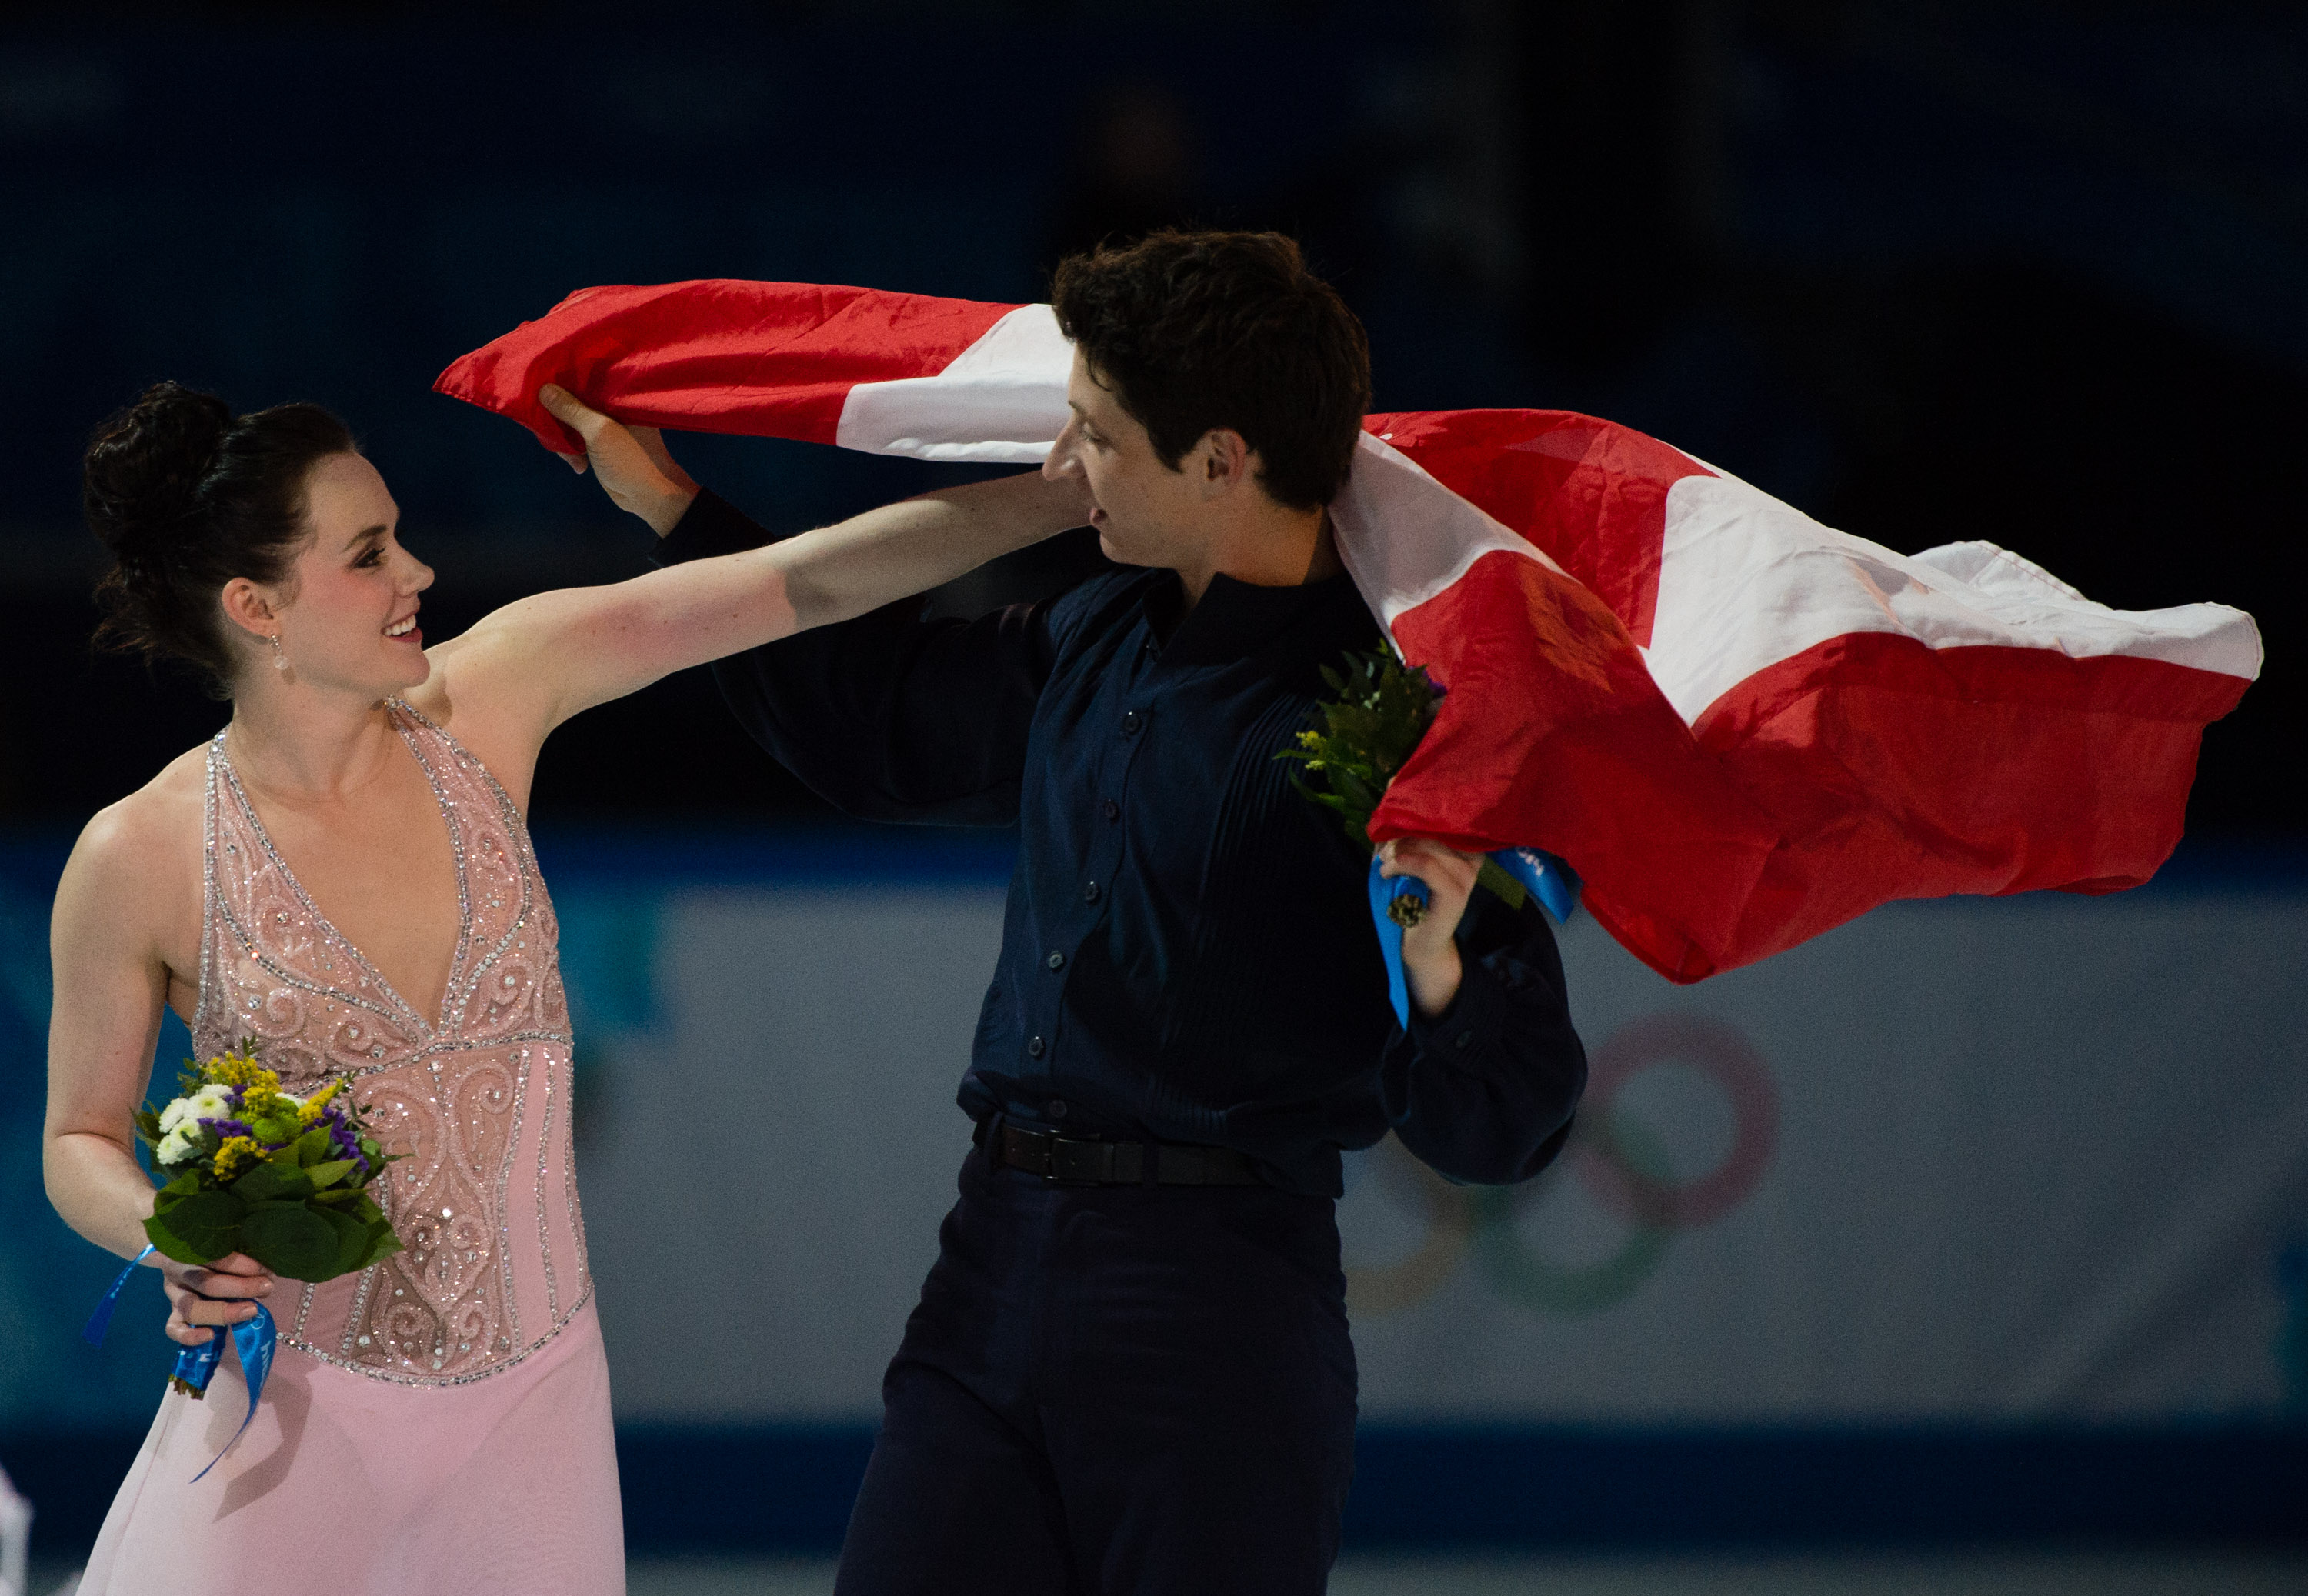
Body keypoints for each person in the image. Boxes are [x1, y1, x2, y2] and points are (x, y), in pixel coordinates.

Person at [552, 229, 1589, 1594]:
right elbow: (869, 726)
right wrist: (681, 512)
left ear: (1221, 458)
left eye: (1098, 434)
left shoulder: (1396, 708)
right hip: (993, 1260)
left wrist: (1439, 966)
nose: (1064, 465)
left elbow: (1508, 1126)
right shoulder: (1100, 629)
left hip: (1217, 1313)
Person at [43, 380, 1089, 1594]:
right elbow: (80, 1136)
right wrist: (169, 1238)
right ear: (255, 606)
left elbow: (812, 579)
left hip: (532, 1422)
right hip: (286, 1421)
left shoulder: (496, 696)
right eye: (372, 554)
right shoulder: (141, 855)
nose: (420, 573)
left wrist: (1068, 492)